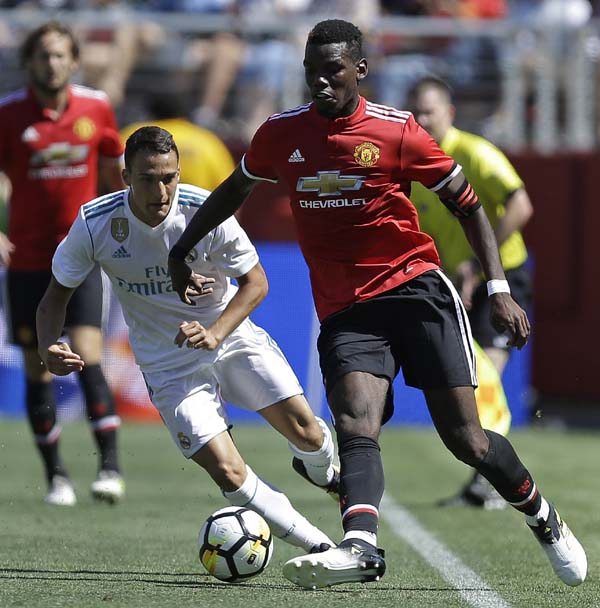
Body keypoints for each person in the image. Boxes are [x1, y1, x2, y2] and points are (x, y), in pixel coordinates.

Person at [166, 19, 587, 590]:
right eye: (311, 71)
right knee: (353, 422)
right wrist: (184, 248)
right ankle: (361, 545)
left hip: (416, 291)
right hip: (346, 309)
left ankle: (545, 519)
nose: (320, 82)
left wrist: (499, 289)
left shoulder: (398, 132)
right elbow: (236, 190)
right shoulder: (281, 134)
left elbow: (470, 207)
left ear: (360, 70)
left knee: (468, 440)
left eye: (332, 70)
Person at [36, 125, 339, 556]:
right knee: (228, 472)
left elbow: (255, 283)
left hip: (229, 337)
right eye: (147, 179)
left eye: (169, 177)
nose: (160, 190)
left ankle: (326, 475)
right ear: (125, 178)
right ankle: (321, 546)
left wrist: (215, 331)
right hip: (168, 366)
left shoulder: (205, 212)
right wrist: (50, 343)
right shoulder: (95, 223)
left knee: (309, 434)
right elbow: (54, 297)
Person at [0, 21, 125, 506]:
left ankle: (110, 468)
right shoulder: (9, 114)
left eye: (59, 55)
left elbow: (116, 173)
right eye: (42, 56)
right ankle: (56, 477)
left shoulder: (96, 107)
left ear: (73, 61)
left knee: (90, 356)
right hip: (29, 261)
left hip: (82, 255)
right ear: (29, 62)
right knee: (39, 369)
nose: (50, 63)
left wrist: (121, 233)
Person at [407, 75, 534, 510]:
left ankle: (494, 484)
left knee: (487, 380)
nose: (422, 119)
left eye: (430, 111)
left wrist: (482, 269)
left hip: (503, 277)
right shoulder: (415, 164)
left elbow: (521, 204)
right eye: (416, 111)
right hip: (460, 281)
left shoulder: (475, 153)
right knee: (471, 379)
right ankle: (489, 481)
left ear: (450, 113)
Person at [120, 94, 235, 192]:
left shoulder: (133, 135)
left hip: (143, 213)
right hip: (198, 213)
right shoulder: (206, 140)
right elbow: (229, 189)